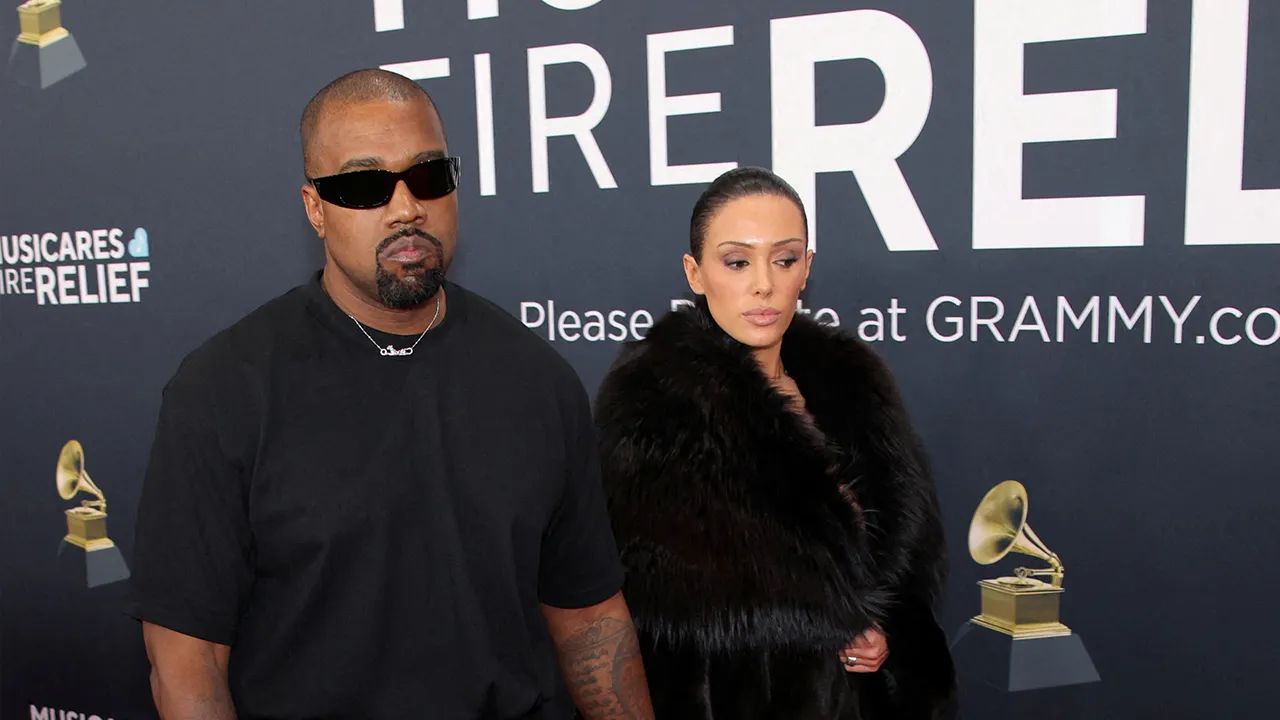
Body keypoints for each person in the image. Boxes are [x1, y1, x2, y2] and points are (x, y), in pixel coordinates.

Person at [127, 68, 654, 720]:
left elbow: (589, 616)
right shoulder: (222, 392)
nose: (406, 208)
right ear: (315, 209)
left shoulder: (538, 379)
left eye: (428, 177)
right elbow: (187, 661)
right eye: (365, 186)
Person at [593, 167, 956, 719]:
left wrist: (888, 634)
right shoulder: (652, 410)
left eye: (783, 260)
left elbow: (904, 574)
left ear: (806, 268)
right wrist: (824, 622)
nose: (763, 284)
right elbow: (653, 617)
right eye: (737, 262)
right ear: (695, 273)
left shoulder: (857, 390)